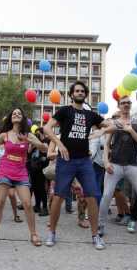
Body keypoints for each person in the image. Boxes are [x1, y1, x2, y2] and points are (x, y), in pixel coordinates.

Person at [43, 81, 110, 250]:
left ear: (85, 94)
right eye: (76, 91)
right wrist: (60, 144)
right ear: (72, 94)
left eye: (82, 91)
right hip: (66, 161)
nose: (79, 93)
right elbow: (47, 128)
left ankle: (95, 236)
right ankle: (52, 232)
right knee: (58, 196)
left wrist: (102, 130)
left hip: (84, 161)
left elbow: (112, 125)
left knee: (92, 196)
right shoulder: (65, 111)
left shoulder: (91, 115)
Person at [0, 108, 47, 246]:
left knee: (27, 203)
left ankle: (33, 234)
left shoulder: (28, 135)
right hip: (5, 169)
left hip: (21, 171)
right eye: (14, 113)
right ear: (11, 118)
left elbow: (44, 148)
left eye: (19, 113)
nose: (16, 114)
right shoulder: (4, 135)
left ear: (23, 118)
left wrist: (31, 141)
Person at [99, 95, 137, 242]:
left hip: (133, 165)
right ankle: (100, 226)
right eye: (123, 103)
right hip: (115, 165)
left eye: (128, 103)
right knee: (106, 196)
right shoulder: (113, 122)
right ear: (119, 106)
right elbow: (106, 144)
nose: (125, 105)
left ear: (130, 105)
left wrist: (131, 131)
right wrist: (105, 162)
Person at [28, 127, 49, 216]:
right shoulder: (34, 143)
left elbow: (46, 150)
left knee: (41, 188)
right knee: (35, 187)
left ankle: (45, 208)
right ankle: (37, 205)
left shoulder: (47, 141)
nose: (36, 136)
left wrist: (38, 143)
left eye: (38, 134)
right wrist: (32, 144)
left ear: (42, 134)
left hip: (42, 168)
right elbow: (28, 152)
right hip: (33, 167)